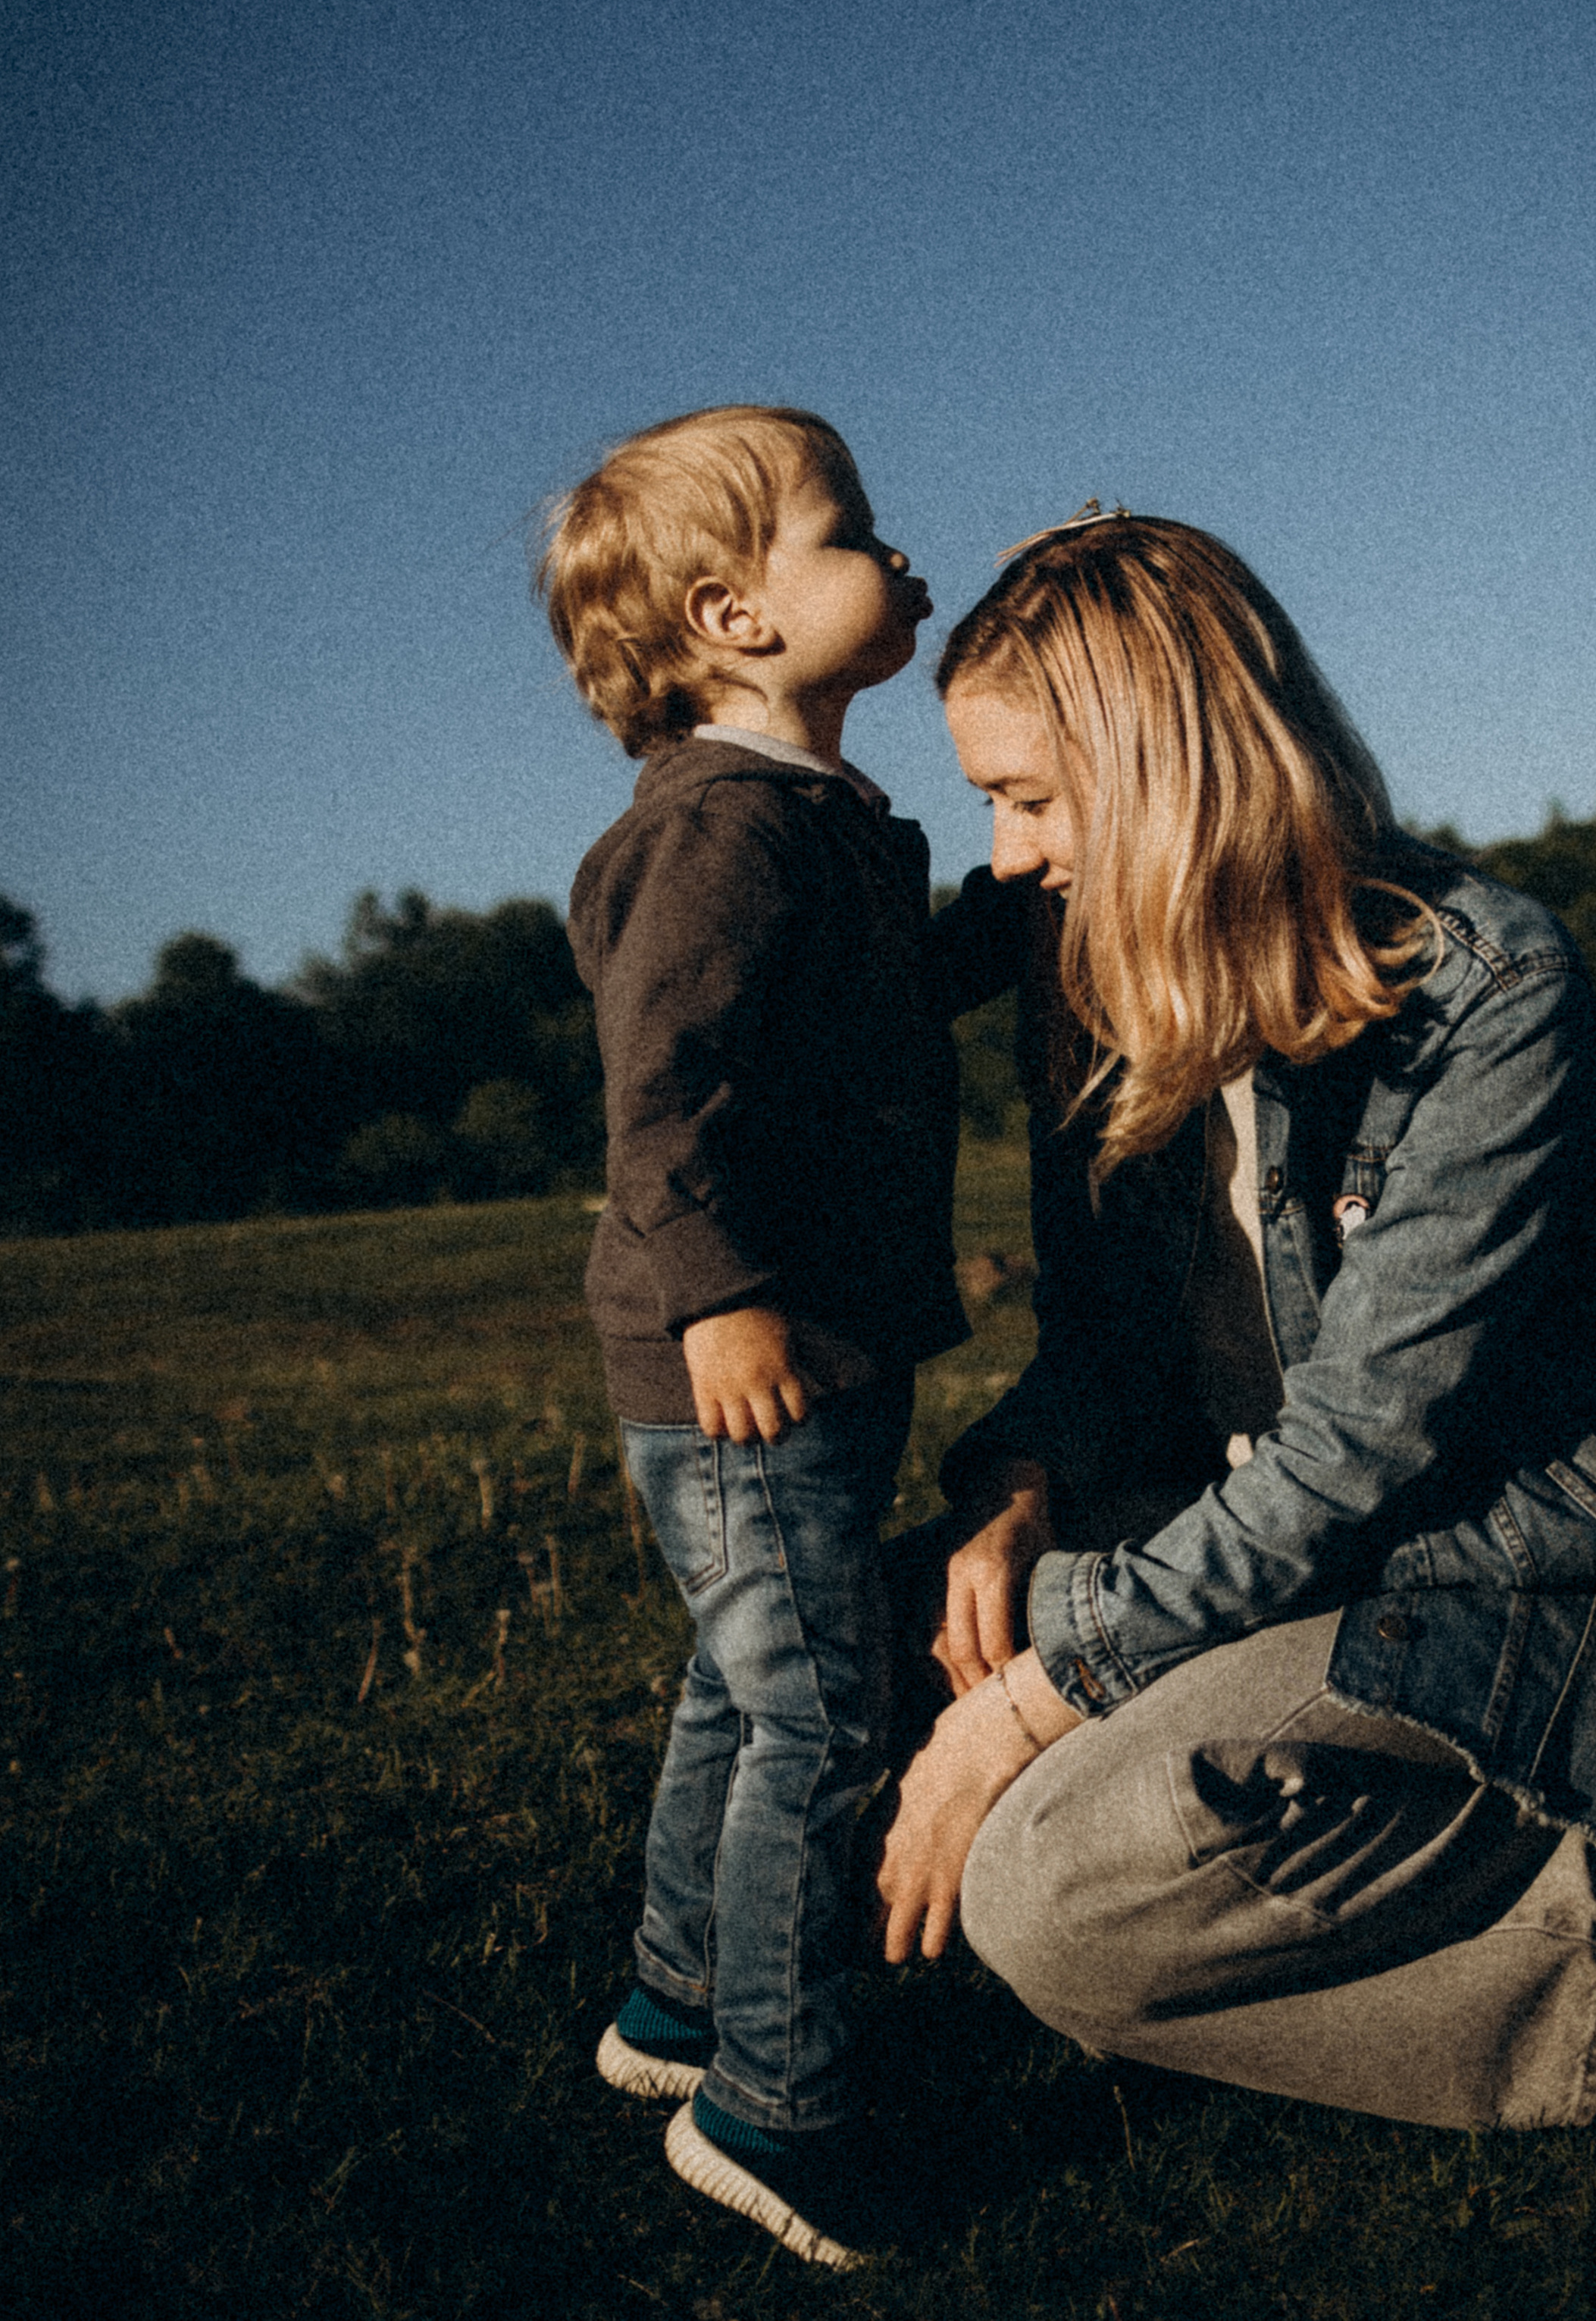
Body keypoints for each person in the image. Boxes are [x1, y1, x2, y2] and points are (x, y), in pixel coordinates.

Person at [877, 510, 1596, 2132]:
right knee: (858, 1634)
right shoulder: (1086, 980)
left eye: (1024, 798)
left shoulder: (1483, 988)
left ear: (1162, 771)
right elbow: (1106, 1349)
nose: (1007, 854)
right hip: (1264, 1542)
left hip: (1525, 1564)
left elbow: (1353, 1456)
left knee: (1054, 1899)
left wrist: (1030, 1699)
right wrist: (1014, 1486)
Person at [539, 406, 1010, 2267]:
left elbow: (867, 1016)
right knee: (820, 1710)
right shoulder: (718, 834)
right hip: (744, 1360)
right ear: (733, 616)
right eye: (853, 531)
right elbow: (664, 1102)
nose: (898, 560)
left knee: (746, 1686)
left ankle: (672, 2007)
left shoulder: (817, 823)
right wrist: (721, 1299)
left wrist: (1006, 921)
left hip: (813, 1349)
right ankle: (775, 2101)